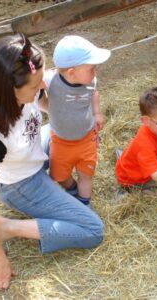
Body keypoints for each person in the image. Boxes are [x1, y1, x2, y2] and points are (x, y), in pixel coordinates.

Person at [0, 33, 104, 290]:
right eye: (35, 86)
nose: (42, 88)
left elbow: (50, 106)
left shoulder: (23, 88)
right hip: (21, 182)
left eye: (42, 79)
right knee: (92, 229)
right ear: (10, 90)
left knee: (66, 132)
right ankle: (7, 227)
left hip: (31, 150)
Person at [44, 35, 111, 206]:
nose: (95, 72)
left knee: (86, 175)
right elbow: (32, 81)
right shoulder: (51, 81)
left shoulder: (90, 82)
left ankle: (84, 205)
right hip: (61, 142)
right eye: (91, 69)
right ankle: (72, 188)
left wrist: (96, 112)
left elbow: (94, 93)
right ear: (72, 73)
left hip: (86, 139)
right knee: (60, 176)